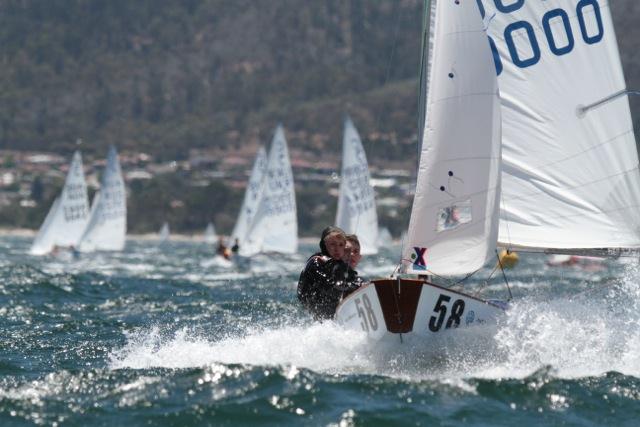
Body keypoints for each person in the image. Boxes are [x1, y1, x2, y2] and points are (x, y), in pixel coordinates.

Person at [297, 226, 362, 320]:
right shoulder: (316, 262)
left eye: (341, 245)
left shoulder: (339, 265)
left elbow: (352, 278)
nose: (337, 249)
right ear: (324, 245)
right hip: (316, 305)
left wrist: (362, 285)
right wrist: (352, 287)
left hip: (331, 309)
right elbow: (328, 285)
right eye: (332, 244)